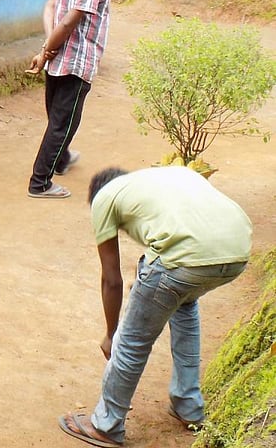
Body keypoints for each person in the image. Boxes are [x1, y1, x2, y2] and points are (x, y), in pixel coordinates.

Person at [58, 166, 252, 448]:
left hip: (184, 258)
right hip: (236, 253)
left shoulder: (104, 197)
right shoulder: (167, 176)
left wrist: (112, 333)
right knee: (184, 303)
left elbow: (111, 279)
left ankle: (106, 425)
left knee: (132, 339)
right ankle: (188, 405)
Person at [26, 0, 128, 199]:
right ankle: (40, 184)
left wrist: (48, 49)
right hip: (75, 62)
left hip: (59, 58)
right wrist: (47, 50)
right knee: (63, 123)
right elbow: (69, 22)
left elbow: (51, 7)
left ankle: (60, 160)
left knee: (58, 118)